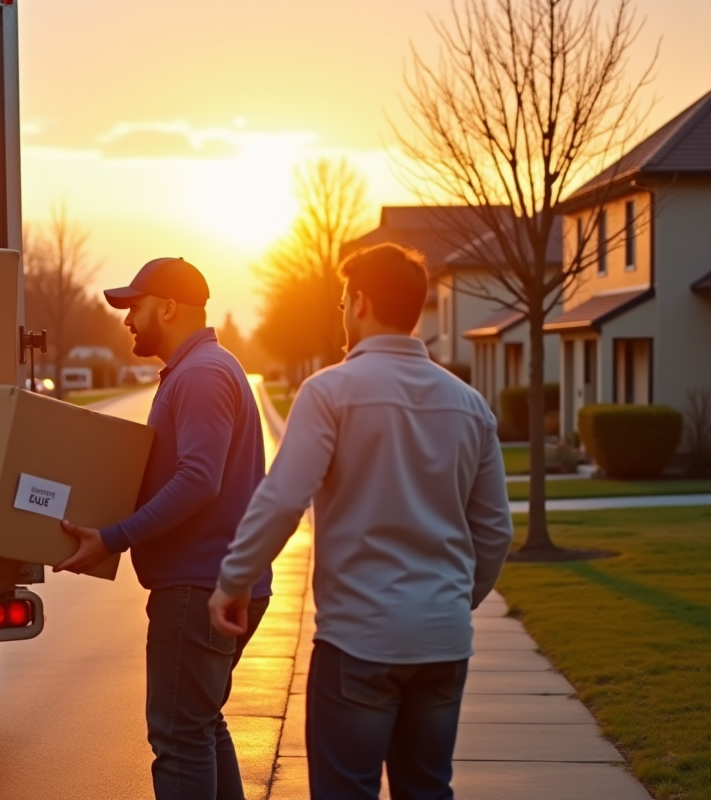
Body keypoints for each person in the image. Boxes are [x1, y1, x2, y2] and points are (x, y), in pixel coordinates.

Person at [209, 244, 514, 800]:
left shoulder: (330, 392)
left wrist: (233, 581)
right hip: (443, 638)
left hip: (359, 640)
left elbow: (282, 498)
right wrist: (451, 600)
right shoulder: (470, 405)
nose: (342, 313)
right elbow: (495, 531)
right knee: (428, 789)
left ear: (363, 303)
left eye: (344, 301)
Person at [55, 257, 273, 800]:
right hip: (212, 583)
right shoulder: (206, 369)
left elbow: (200, 480)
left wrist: (112, 537)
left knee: (179, 737)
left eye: (135, 306)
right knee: (201, 725)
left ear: (170, 308)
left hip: (197, 589)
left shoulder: (201, 375)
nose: (127, 319)